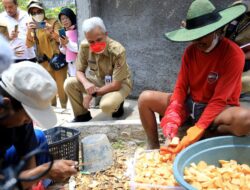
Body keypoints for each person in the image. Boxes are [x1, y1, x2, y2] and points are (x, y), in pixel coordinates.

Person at [138, 0, 250, 153]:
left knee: (245, 119)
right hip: (191, 104)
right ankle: (153, 148)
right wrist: (172, 116)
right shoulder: (190, 52)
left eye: (203, 36)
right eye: (194, 36)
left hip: (219, 109)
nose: (197, 41)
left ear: (215, 30)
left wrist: (198, 129)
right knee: (145, 99)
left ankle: (206, 137)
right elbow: (181, 87)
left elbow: (219, 99)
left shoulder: (233, 54)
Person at [0, 61, 77, 189]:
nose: (30, 121)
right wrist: (43, 172)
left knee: (39, 136)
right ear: (5, 106)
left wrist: (33, 182)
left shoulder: (19, 109)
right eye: (28, 116)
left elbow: (28, 152)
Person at [64, 17, 133, 122]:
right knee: (69, 83)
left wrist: (91, 94)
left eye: (99, 39)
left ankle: (118, 103)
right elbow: (79, 71)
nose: (95, 44)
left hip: (120, 82)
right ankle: (82, 116)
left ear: (106, 34)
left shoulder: (117, 50)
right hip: (100, 80)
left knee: (107, 105)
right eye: (91, 41)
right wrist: (86, 83)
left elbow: (116, 84)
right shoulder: (84, 47)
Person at [26, 0, 68, 108]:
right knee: (49, 87)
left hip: (57, 59)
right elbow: (28, 44)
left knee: (61, 86)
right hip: (44, 62)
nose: (36, 14)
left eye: (38, 11)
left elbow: (62, 40)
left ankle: (64, 107)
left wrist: (50, 30)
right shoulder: (33, 27)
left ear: (43, 11)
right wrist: (29, 30)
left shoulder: (54, 22)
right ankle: (53, 108)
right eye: (33, 13)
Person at [58, 7, 78, 77]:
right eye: (62, 19)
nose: (64, 21)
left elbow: (80, 48)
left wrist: (68, 43)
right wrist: (63, 45)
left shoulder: (78, 30)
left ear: (71, 17)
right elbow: (64, 52)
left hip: (79, 63)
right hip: (70, 64)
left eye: (66, 18)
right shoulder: (64, 32)